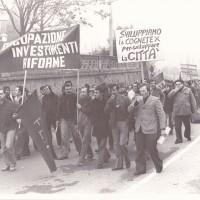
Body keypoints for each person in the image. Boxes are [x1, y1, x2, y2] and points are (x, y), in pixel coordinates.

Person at [128, 83, 166, 175]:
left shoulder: (155, 100)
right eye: (140, 91)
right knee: (139, 149)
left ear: (148, 91)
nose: (142, 92)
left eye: (144, 90)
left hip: (151, 128)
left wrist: (162, 128)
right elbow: (129, 110)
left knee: (151, 149)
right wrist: (136, 103)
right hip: (139, 128)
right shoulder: (136, 100)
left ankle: (158, 165)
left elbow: (161, 114)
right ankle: (140, 169)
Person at [105, 84, 131, 171]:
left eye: (115, 90)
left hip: (123, 122)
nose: (113, 92)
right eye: (112, 90)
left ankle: (127, 159)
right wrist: (110, 101)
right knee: (116, 145)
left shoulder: (125, 99)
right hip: (114, 124)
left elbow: (131, 110)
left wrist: (128, 121)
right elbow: (106, 111)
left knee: (122, 144)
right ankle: (119, 164)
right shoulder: (110, 100)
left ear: (118, 90)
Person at [56, 81, 82, 159]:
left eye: (70, 89)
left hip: (73, 119)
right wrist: (57, 119)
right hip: (64, 119)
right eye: (67, 89)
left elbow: (77, 108)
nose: (68, 90)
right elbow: (59, 108)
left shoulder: (75, 96)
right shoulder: (60, 97)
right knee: (64, 136)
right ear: (64, 90)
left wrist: (77, 118)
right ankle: (64, 153)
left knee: (76, 136)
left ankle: (81, 150)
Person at [168, 79, 197, 144]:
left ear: (182, 84)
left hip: (186, 111)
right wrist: (175, 91)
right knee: (177, 126)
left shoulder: (188, 90)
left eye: (179, 84)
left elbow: (192, 100)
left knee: (187, 125)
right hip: (177, 111)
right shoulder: (174, 90)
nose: (178, 85)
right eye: (177, 84)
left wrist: (194, 110)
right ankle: (179, 139)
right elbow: (169, 96)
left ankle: (187, 135)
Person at [90, 85, 111, 169]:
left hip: (105, 125)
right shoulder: (92, 102)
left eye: (96, 92)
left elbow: (109, 113)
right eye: (94, 92)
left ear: (101, 93)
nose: (95, 94)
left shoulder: (106, 102)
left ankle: (100, 162)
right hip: (96, 126)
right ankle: (106, 156)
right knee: (100, 143)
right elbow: (90, 112)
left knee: (102, 144)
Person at [0, 88, 19, 171]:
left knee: (8, 146)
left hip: (11, 127)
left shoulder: (11, 104)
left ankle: (12, 164)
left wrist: (16, 116)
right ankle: (7, 164)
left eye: (1, 94)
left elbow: (18, 112)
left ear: (4, 94)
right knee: (3, 148)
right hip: (1, 128)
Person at [76, 86, 94, 166]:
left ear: (87, 93)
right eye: (81, 92)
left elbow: (89, 111)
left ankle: (81, 159)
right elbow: (75, 112)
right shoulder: (78, 100)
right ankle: (90, 154)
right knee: (84, 139)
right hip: (80, 121)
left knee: (84, 140)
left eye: (84, 92)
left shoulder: (90, 100)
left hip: (88, 121)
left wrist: (81, 107)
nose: (82, 93)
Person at [42, 85, 60, 159]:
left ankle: (60, 144)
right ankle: (50, 145)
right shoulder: (44, 98)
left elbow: (58, 106)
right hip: (47, 117)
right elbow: (42, 107)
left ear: (50, 89)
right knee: (48, 132)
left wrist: (57, 116)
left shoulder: (55, 96)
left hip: (55, 116)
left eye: (46, 89)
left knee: (58, 130)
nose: (45, 90)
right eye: (44, 89)